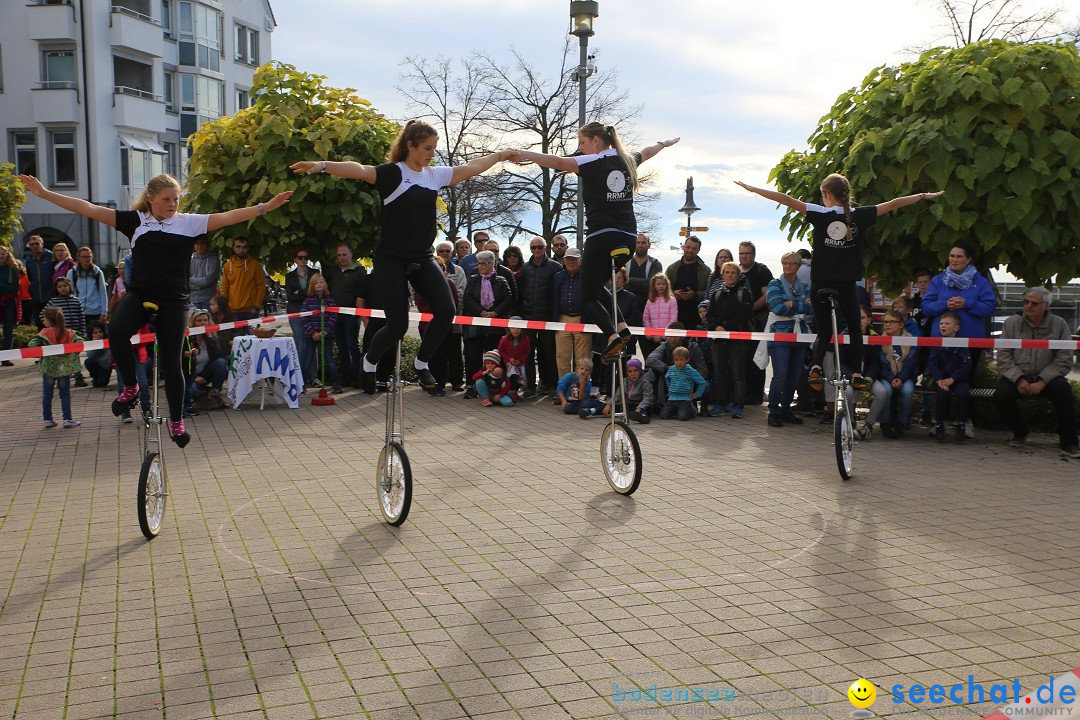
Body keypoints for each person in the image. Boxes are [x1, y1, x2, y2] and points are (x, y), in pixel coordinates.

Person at [18, 172, 291, 448]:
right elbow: (88, 208)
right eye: (166, 199)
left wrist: (265, 207)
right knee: (118, 330)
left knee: (173, 363)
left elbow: (230, 216)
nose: (173, 204)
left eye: (176, 199)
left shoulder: (189, 223)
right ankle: (131, 387)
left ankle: (176, 420)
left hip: (174, 300)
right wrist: (44, 193)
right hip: (141, 293)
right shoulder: (135, 221)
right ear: (151, 199)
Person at [291, 121, 510, 390]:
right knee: (397, 325)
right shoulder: (393, 174)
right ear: (410, 146)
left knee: (446, 311)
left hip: (422, 256)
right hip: (391, 258)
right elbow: (358, 170)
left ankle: (421, 363)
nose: (432, 153)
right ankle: (369, 363)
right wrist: (323, 165)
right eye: (427, 148)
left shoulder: (434, 175)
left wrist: (499, 156)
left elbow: (471, 168)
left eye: (434, 148)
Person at [735, 175, 943, 393]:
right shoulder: (860, 215)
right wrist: (923, 196)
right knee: (854, 329)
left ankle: (815, 367)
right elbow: (893, 204)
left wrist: (753, 188)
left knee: (824, 332)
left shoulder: (820, 213)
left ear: (826, 195)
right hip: (845, 284)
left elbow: (785, 199)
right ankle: (856, 374)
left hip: (820, 283)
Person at [511, 124, 679, 360]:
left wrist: (526, 154)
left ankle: (612, 337)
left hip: (602, 236)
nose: (580, 148)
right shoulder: (627, 160)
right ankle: (621, 325)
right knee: (596, 284)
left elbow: (557, 162)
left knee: (586, 295)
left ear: (596, 141)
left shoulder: (589, 163)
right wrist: (664, 143)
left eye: (582, 142)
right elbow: (648, 151)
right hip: (629, 238)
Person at [995, 287, 1079, 458]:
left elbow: (1065, 359)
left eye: (1034, 303)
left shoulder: (1060, 324)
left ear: (1046, 306)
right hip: (1019, 375)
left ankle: (1069, 442)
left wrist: (1042, 381)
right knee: (1002, 394)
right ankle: (1020, 431)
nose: (1028, 306)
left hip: (1048, 379)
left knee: (1063, 391)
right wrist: (1019, 379)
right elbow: (1003, 356)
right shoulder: (1011, 323)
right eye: (1026, 302)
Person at [919, 241, 996, 375]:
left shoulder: (981, 282)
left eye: (959, 257)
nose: (954, 260)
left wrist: (967, 303)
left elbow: (989, 308)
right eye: (952, 256)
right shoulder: (938, 280)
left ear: (969, 259)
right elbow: (926, 307)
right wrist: (945, 304)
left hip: (971, 342)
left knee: (966, 386)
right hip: (942, 342)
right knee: (940, 385)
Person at [763, 252, 811, 427]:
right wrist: (799, 306)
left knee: (794, 375)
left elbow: (811, 307)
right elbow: (776, 307)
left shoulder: (805, 286)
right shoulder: (774, 284)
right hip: (780, 334)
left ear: (799, 266)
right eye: (785, 263)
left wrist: (791, 304)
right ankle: (773, 411)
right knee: (780, 374)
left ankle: (786, 410)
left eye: (792, 263)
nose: (788, 266)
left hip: (799, 334)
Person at [699, 262, 752, 418]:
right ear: (722, 274)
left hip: (738, 339)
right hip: (718, 339)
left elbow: (744, 315)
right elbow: (710, 314)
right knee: (719, 374)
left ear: (738, 275)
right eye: (726, 272)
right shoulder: (716, 293)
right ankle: (720, 403)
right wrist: (716, 327)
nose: (729, 275)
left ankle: (738, 404)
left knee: (737, 373)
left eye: (733, 273)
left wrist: (726, 326)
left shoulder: (745, 293)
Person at [864, 310, 920, 439]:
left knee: (908, 391)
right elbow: (881, 364)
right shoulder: (880, 340)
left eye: (891, 322)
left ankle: (902, 422)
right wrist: (891, 378)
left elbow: (911, 363)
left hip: (905, 376)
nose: (887, 325)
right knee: (886, 391)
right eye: (885, 322)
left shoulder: (910, 340)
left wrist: (901, 378)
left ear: (901, 325)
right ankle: (884, 422)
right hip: (886, 376)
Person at [462, 250, 513, 386]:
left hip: (495, 328)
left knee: (494, 357)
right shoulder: (473, 279)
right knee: (472, 356)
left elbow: (508, 299)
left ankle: (494, 385)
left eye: (484, 263)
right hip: (476, 327)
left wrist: (495, 312)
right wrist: (481, 311)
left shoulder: (501, 281)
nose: (481, 266)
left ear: (493, 264)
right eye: (479, 263)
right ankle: (471, 385)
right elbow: (467, 299)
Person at [519, 236, 561, 397]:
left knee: (550, 352)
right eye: (533, 247)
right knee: (528, 353)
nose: (536, 250)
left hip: (547, 318)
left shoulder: (555, 267)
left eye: (539, 247)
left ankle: (551, 384)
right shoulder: (525, 268)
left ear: (546, 248)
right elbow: (521, 291)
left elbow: (557, 292)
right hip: (528, 317)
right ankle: (530, 386)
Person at [29, 307, 83, 428]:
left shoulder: (44, 333)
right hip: (64, 368)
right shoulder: (68, 333)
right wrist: (72, 353)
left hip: (48, 368)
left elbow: (32, 344)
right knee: (65, 394)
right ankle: (67, 420)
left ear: (50, 320)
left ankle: (48, 419)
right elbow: (80, 342)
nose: (43, 321)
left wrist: (40, 352)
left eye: (44, 319)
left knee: (47, 394)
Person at [412, 255, 457, 396]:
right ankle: (430, 384)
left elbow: (453, 305)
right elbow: (421, 306)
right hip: (426, 326)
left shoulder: (449, 284)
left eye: (440, 268)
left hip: (444, 327)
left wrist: (443, 314)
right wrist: (438, 312)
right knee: (429, 356)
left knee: (442, 357)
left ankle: (441, 385)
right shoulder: (421, 285)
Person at [323, 243, 367, 388]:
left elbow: (362, 294)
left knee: (352, 346)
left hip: (352, 315)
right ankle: (345, 378)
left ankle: (358, 377)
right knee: (341, 347)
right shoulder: (333, 271)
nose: (341, 258)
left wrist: (359, 313)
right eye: (339, 255)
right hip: (335, 315)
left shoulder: (360, 271)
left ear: (351, 255)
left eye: (344, 254)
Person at [925, 312, 972, 443]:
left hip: (958, 380)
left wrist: (954, 378)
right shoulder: (937, 343)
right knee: (942, 394)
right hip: (941, 380)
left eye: (947, 323)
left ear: (956, 328)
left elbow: (966, 365)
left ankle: (961, 425)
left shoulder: (962, 343)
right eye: (941, 323)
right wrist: (939, 379)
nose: (943, 326)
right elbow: (932, 363)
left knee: (962, 394)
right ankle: (939, 424)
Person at [551, 247, 592, 381]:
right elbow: (553, 299)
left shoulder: (587, 277)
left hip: (582, 319)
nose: (571, 262)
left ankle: (581, 388)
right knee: (562, 356)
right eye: (568, 259)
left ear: (580, 261)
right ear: (564, 261)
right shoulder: (558, 277)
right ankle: (563, 388)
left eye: (574, 259)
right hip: (562, 319)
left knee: (583, 358)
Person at [182, 309, 228, 415]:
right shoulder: (187, 337)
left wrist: (210, 338)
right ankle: (198, 395)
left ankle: (214, 391)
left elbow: (218, 355)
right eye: (199, 321)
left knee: (221, 362)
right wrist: (194, 378)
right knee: (194, 391)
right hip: (190, 374)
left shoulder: (210, 337)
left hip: (205, 372)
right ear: (193, 323)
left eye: (205, 320)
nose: (203, 323)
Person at [301, 274, 341, 393]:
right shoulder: (307, 301)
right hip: (310, 335)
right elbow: (304, 318)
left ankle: (336, 384)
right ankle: (302, 385)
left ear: (325, 285)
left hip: (326, 335)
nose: (319, 284)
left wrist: (325, 331)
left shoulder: (329, 300)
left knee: (329, 359)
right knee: (307, 359)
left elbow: (333, 317)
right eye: (316, 283)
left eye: (321, 282)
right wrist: (313, 332)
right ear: (312, 286)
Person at [284, 248, 316, 385]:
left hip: (311, 311)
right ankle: (300, 376)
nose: (303, 260)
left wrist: (300, 292)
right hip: (295, 312)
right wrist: (306, 292)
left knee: (311, 343)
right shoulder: (289, 276)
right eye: (300, 257)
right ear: (295, 259)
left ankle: (313, 376)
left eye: (306, 257)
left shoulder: (315, 273)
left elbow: (315, 292)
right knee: (300, 344)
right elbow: (290, 296)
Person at [664, 235, 710, 331]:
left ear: (698, 250)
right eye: (688, 247)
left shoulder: (705, 271)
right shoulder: (672, 268)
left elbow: (709, 294)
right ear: (683, 247)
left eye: (694, 248)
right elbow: (662, 290)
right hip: (674, 317)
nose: (690, 250)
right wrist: (673, 294)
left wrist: (695, 295)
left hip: (697, 318)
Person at [220, 238, 265, 320]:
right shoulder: (227, 265)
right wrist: (225, 308)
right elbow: (224, 289)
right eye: (238, 247)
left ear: (247, 249)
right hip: (232, 311)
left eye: (244, 247)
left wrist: (256, 307)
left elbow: (261, 287)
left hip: (250, 311)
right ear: (233, 248)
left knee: (251, 333)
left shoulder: (255, 264)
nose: (241, 250)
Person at [661, 346, 708, 421]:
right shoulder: (671, 369)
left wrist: (697, 394)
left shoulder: (691, 371)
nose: (679, 362)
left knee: (683, 418)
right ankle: (679, 410)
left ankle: (692, 410)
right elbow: (667, 378)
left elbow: (702, 382)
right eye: (676, 360)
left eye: (682, 360)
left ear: (687, 360)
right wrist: (670, 389)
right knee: (664, 415)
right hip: (672, 398)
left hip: (685, 398)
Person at [68, 246, 108, 333]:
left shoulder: (98, 273)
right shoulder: (72, 273)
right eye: (84, 257)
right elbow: (70, 293)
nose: (87, 259)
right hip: (78, 312)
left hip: (95, 311)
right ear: (79, 258)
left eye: (89, 257)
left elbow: (103, 293)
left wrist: (104, 312)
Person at [641, 273, 678, 362]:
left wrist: (662, 335)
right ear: (654, 285)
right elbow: (646, 318)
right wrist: (651, 335)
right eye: (658, 284)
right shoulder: (650, 301)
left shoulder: (672, 300)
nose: (661, 286)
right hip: (652, 339)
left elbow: (673, 319)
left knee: (666, 361)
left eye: (663, 284)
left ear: (667, 285)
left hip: (666, 339)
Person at [625, 233, 662, 313]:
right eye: (637, 242)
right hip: (627, 311)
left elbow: (652, 284)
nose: (640, 245)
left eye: (643, 243)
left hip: (649, 310)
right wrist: (643, 286)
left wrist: (629, 280)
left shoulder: (655, 264)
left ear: (649, 245)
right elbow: (621, 284)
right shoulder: (625, 262)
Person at [22, 235, 54, 328]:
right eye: (32, 244)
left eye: (37, 243)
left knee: (52, 325)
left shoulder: (51, 257)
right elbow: (30, 278)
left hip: (50, 297)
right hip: (36, 298)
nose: (35, 246)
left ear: (42, 244)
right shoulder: (29, 260)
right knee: (39, 325)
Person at [0, 246, 23, 361]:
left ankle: (6, 358)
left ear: (7, 255)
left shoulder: (13, 269)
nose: (1, 256)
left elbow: (14, 288)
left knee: (8, 329)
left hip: (9, 301)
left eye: (3, 254)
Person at [497, 320, 530, 397]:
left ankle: (514, 392)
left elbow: (527, 351)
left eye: (518, 328)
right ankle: (511, 392)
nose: (516, 330)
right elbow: (500, 350)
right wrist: (509, 358)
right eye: (513, 328)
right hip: (509, 363)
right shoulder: (504, 339)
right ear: (509, 329)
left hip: (520, 363)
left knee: (521, 379)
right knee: (512, 376)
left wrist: (520, 359)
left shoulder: (525, 339)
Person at [189, 236, 220, 310]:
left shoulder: (213, 259)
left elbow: (207, 281)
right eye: (197, 243)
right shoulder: (190, 259)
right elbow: (184, 281)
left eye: (202, 243)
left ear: (206, 244)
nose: (200, 246)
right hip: (192, 300)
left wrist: (191, 280)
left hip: (208, 301)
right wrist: (201, 286)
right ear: (193, 245)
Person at [83, 322, 113, 388]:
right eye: (95, 333)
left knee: (102, 383)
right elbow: (90, 355)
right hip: (97, 364)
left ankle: (99, 379)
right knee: (88, 361)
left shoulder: (108, 340)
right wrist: (95, 345)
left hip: (106, 366)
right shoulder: (90, 342)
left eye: (100, 332)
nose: (99, 334)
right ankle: (95, 377)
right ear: (91, 335)